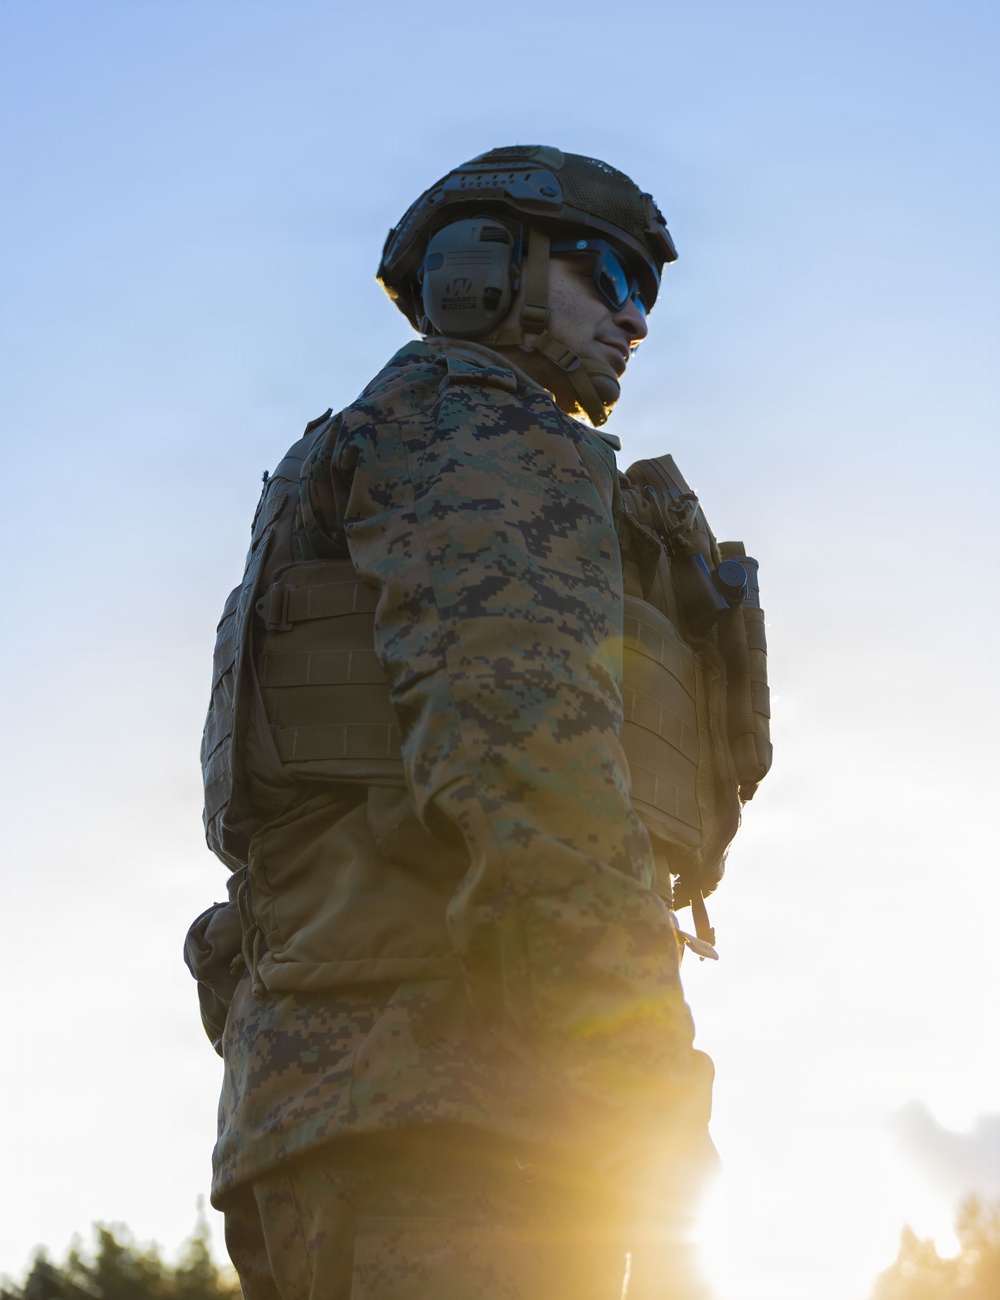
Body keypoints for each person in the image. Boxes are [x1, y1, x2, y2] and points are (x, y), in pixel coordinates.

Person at [185, 144, 771, 1300]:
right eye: (608, 274)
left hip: (329, 1114)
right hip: (464, 1118)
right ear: (481, 270)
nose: (633, 318)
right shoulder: (484, 433)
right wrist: (653, 1109)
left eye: (647, 296)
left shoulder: (371, 446)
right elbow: (529, 770)